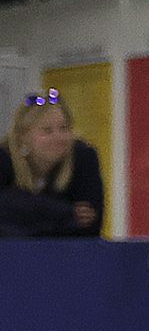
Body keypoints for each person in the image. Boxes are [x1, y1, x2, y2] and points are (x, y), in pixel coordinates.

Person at [5, 90, 105, 237]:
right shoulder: (4, 159)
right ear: (23, 136)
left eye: (64, 128)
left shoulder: (83, 157)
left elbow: (89, 226)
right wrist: (66, 213)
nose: (58, 137)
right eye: (47, 131)